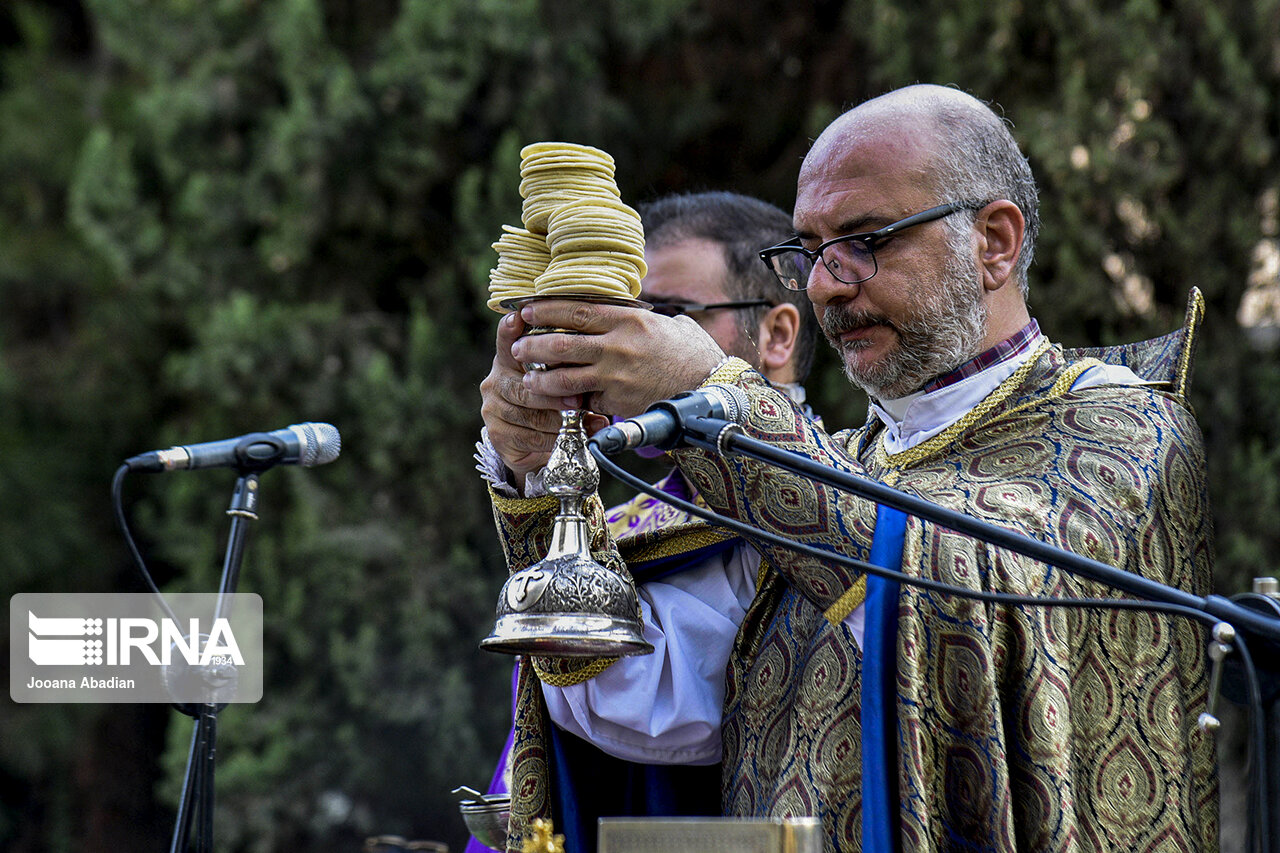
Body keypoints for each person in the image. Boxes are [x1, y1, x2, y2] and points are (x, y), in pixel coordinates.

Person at [494, 84, 1218, 852]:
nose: (823, 285)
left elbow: (967, 585)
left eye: (866, 239)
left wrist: (713, 393)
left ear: (995, 243)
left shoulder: (1128, 425)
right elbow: (651, 695)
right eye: (808, 250)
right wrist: (543, 473)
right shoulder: (826, 469)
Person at [475, 191, 820, 853]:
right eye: (624, 315)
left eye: (669, 316)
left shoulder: (841, 503)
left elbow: (673, 711)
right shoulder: (627, 515)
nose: (629, 343)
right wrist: (534, 464)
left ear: (777, 334)